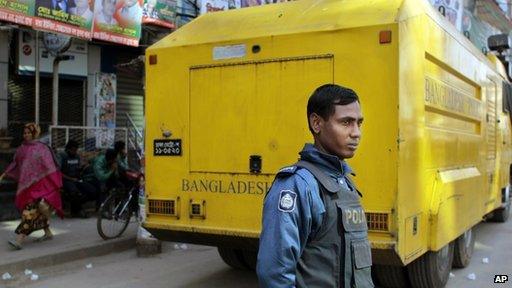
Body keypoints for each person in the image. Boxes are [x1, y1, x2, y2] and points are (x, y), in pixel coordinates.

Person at [256, 84, 374, 287]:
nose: (356, 133)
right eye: (346, 122)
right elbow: (275, 274)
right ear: (317, 123)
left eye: (359, 123)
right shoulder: (298, 185)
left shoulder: (343, 179)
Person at [0, 123, 63, 250]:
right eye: (25, 133)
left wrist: (56, 183)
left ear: (35, 133)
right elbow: (15, 164)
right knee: (37, 211)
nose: (26, 135)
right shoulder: (21, 149)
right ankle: (48, 232)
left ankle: (19, 240)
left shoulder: (42, 148)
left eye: (29, 133)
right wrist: (5, 173)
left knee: (29, 214)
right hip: (27, 187)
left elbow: (50, 166)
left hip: (41, 186)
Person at [58, 140, 98, 218]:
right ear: (68, 149)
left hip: (76, 179)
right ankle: (78, 210)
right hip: (66, 180)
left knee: (93, 191)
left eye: (76, 150)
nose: (74, 152)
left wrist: (82, 168)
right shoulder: (62, 156)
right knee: (75, 192)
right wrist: (71, 178)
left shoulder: (77, 156)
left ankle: (75, 208)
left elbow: (78, 167)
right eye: (73, 150)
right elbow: (59, 173)